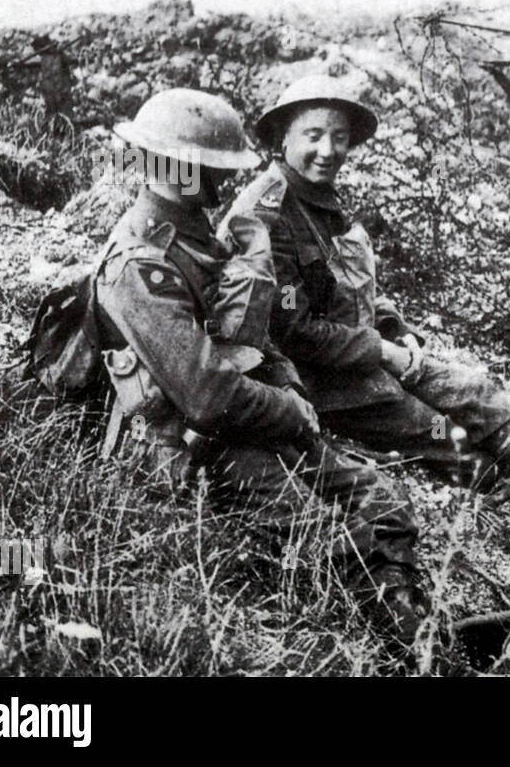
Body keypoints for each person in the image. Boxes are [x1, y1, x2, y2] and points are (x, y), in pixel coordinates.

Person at [221, 74, 510, 543]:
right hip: (314, 382)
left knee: (475, 391)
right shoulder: (267, 215)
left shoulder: (320, 198)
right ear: (282, 138)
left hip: (360, 361)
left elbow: (349, 286)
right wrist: (381, 352)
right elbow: (294, 332)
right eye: (313, 136)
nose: (328, 150)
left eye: (338, 137)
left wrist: (397, 330)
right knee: (444, 435)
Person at [95, 87, 425, 643]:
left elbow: (259, 334)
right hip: (189, 441)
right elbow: (206, 397)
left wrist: (288, 388)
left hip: (254, 415)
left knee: (382, 502)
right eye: (210, 169)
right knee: (322, 537)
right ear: (174, 166)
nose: (222, 183)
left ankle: (407, 619)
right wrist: (290, 413)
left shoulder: (198, 234)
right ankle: (393, 645)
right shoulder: (139, 265)